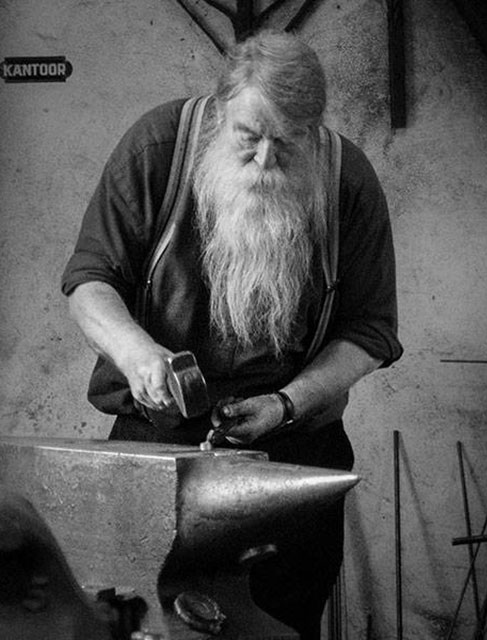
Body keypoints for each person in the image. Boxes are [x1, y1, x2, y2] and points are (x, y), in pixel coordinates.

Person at [61, 31, 402, 639]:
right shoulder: (157, 150)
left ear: (314, 130)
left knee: (274, 627)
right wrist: (138, 356)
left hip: (290, 453)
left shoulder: (347, 179)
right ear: (220, 113)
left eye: (288, 144)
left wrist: (286, 404)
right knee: (142, 626)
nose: (266, 160)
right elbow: (90, 283)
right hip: (155, 446)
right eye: (249, 138)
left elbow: (371, 331)